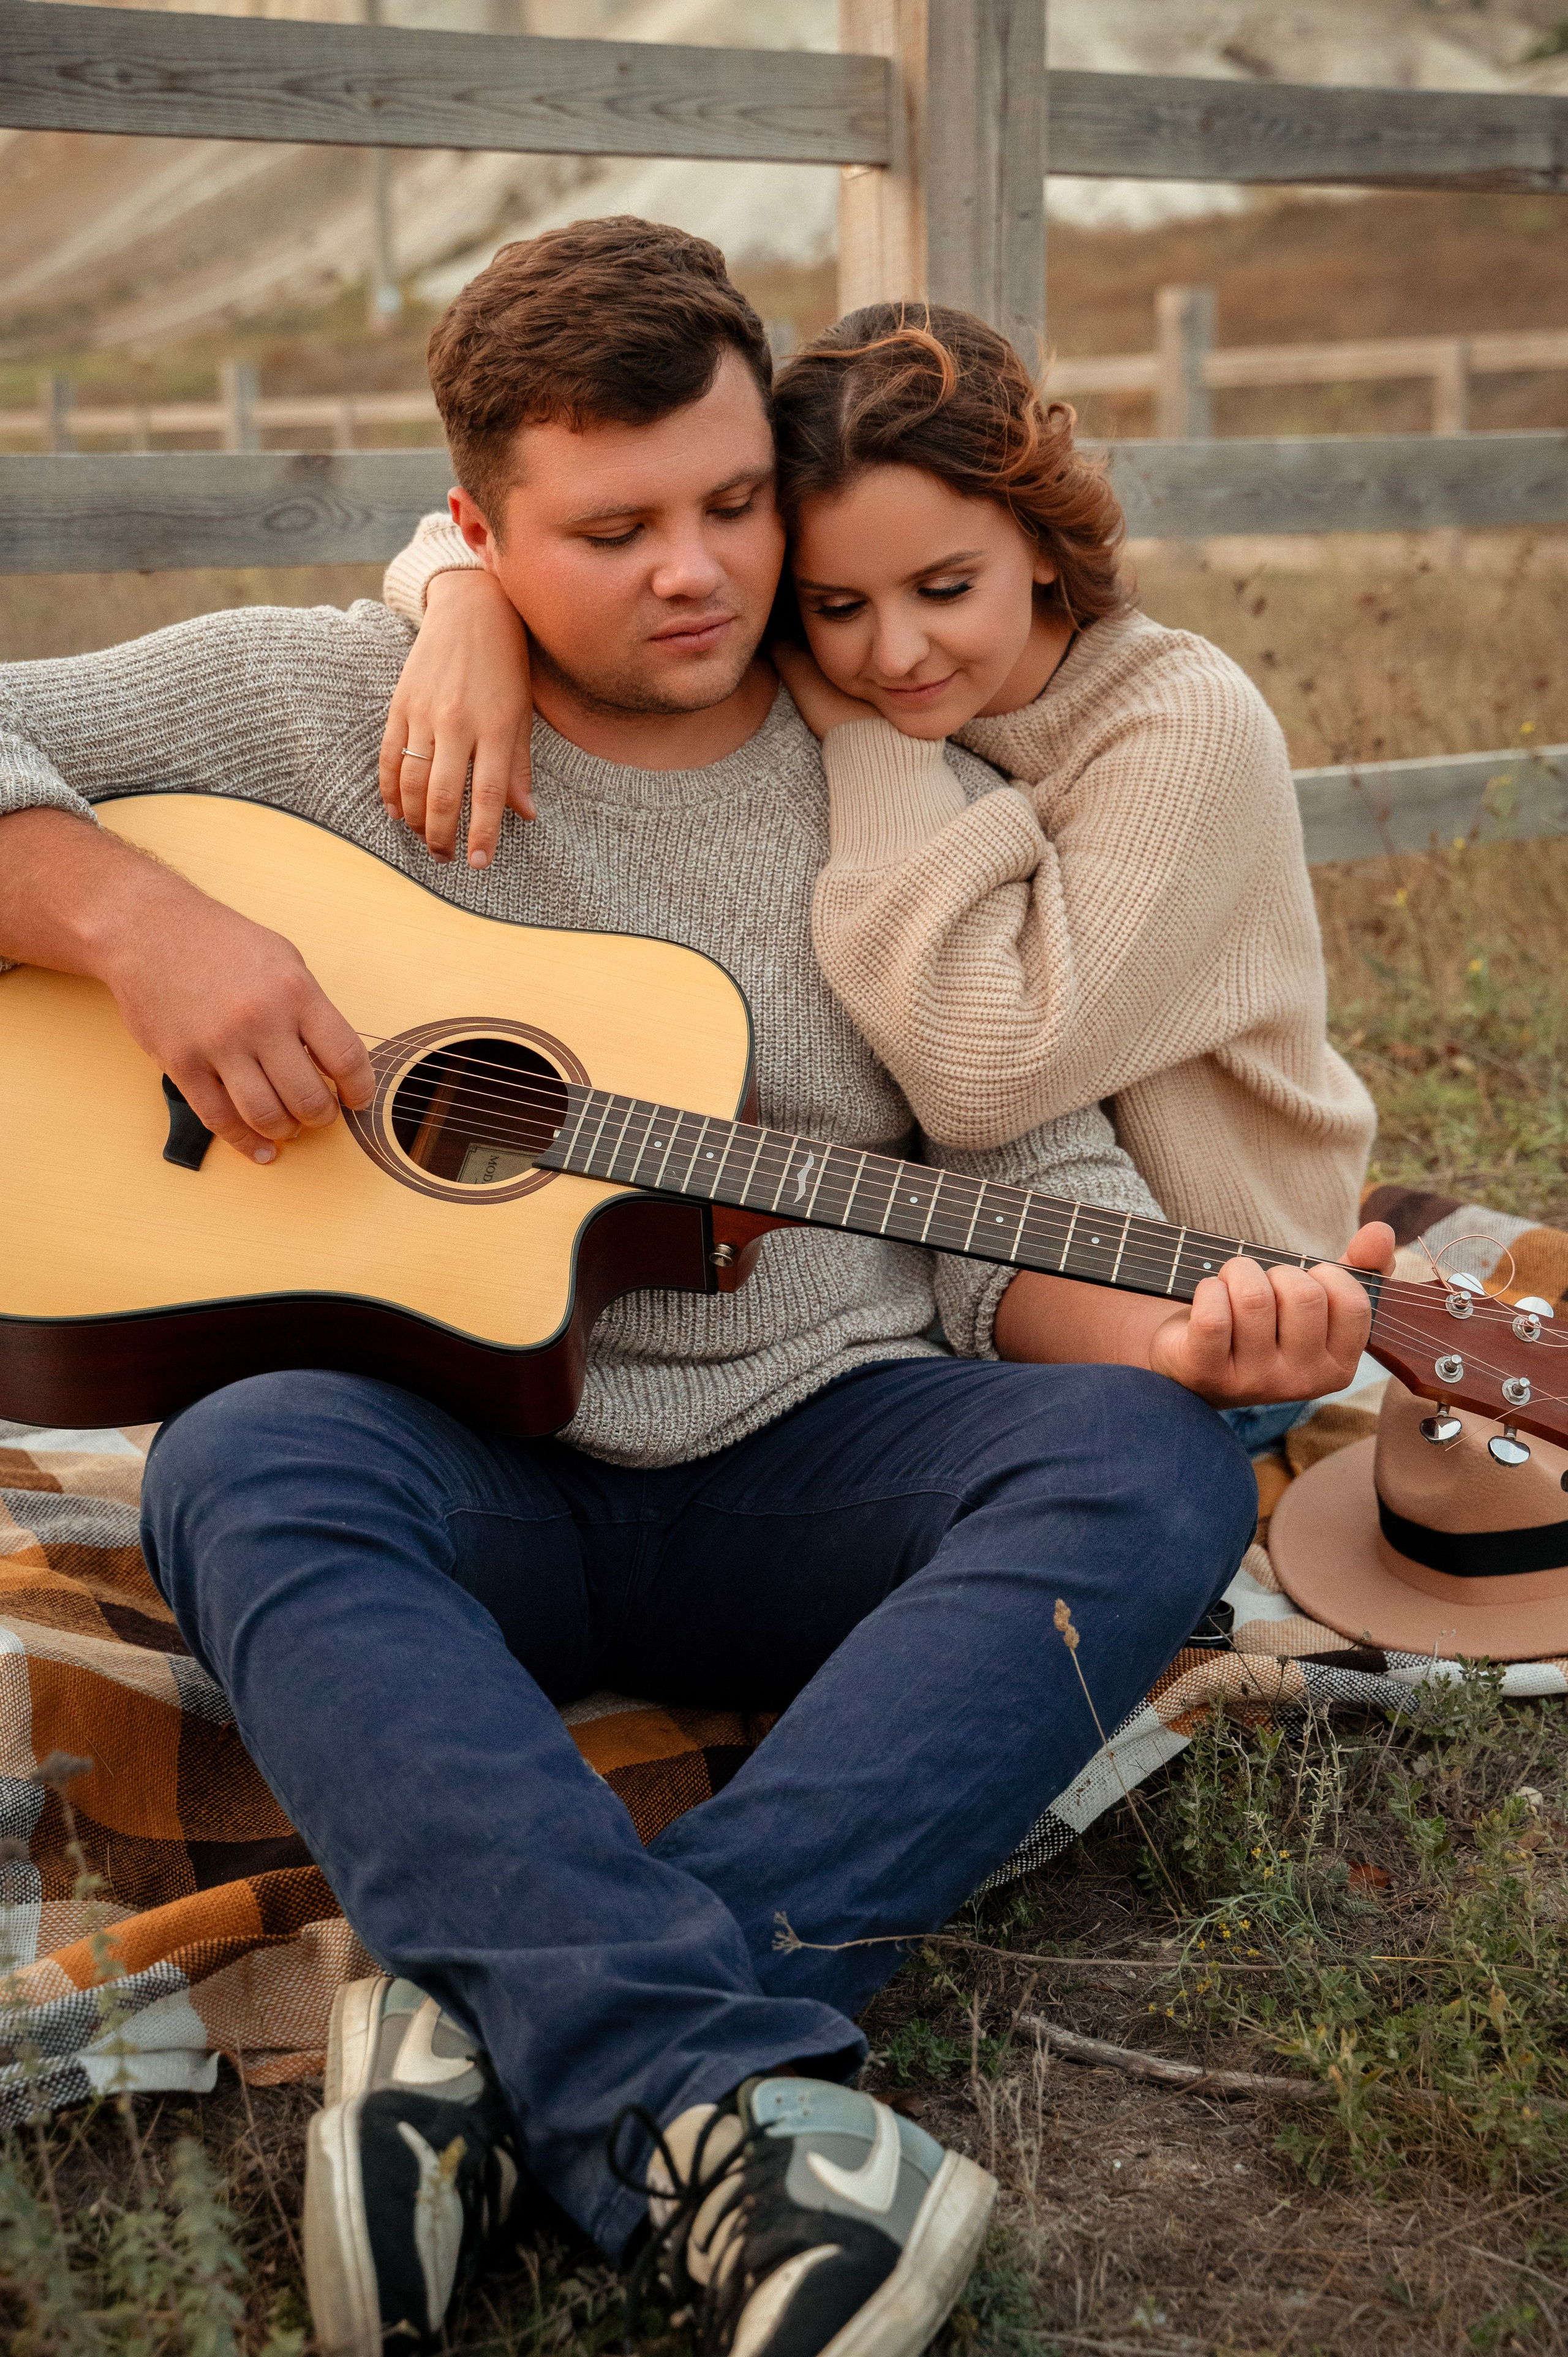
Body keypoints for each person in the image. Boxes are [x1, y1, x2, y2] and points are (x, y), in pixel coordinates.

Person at [0, 218, 1390, 2357]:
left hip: (815, 1461)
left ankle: (517, 2028)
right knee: (245, 1456)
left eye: (738, 505)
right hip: (461, 1461)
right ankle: (713, 2098)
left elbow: (1012, 1186)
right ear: (472, 527)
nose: (700, 574)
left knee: (1148, 1461)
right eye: (612, 527)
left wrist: (1206, 1337)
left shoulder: (892, 779)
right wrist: (132, 918)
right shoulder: (307, 695)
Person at [384, 304, 1376, 1279]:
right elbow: (515, 524)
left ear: (1038, 539)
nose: (898, 653)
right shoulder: (816, 631)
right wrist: (463, 603)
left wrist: (872, 743)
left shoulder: (1180, 730)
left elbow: (984, 1076)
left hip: (1210, 1281)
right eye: (838, 606)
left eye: (946, 589)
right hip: (986, 1268)